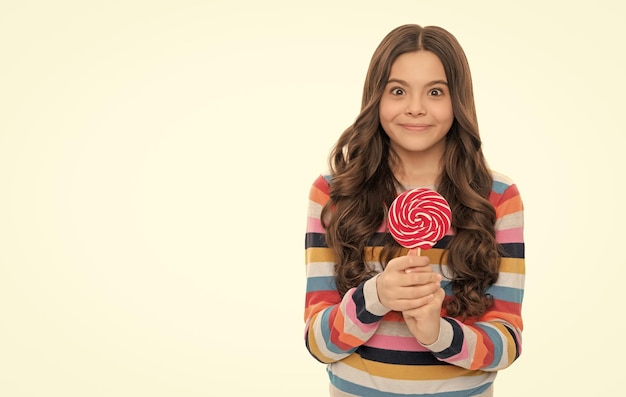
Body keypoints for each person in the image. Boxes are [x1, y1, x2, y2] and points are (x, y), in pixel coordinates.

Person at [303, 24, 524, 397]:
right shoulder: (334, 194)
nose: (416, 107)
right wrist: (377, 296)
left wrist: (438, 334)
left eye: (435, 91)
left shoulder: (497, 197)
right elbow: (317, 342)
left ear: (459, 101)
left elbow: (507, 344)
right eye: (398, 90)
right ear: (376, 97)